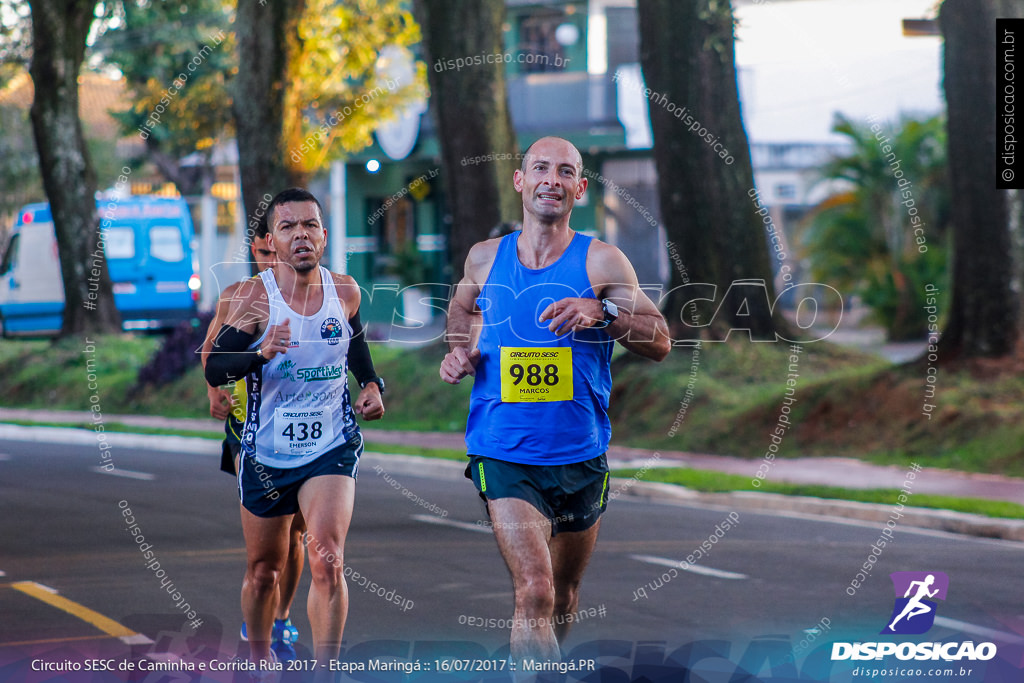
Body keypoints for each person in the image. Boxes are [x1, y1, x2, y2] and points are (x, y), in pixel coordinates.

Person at [439, 137, 671, 665]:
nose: (552, 179)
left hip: (580, 454)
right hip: (503, 451)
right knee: (537, 589)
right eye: (540, 168)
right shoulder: (484, 257)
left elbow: (659, 342)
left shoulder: (603, 260)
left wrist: (603, 314)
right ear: (520, 181)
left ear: (580, 189)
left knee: (563, 595)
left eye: (565, 172)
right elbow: (460, 309)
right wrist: (460, 350)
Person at [206, 188, 385, 674]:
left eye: (310, 225)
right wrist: (257, 355)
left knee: (327, 559)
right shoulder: (255, 299)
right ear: (270, 240)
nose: (301, 234)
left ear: (324, 236)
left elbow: (355, 343)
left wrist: (371, 384)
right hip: (266, 453)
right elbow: (216, 366)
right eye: (288, 227)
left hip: (330, 446)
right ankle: (258, 658)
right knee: (265, 570)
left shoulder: (344, 291)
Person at [200, 227, 305, 661]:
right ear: (258, 248)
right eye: (262, 253)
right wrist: (214, 393)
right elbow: (209, 350)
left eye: (271, 253)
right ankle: (261, 601)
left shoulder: (310, 290)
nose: (268, 260)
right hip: (249, 428)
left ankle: (281, 616)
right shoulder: (239, 296)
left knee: (298, 534)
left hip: (301, 430)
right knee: (267, 542)